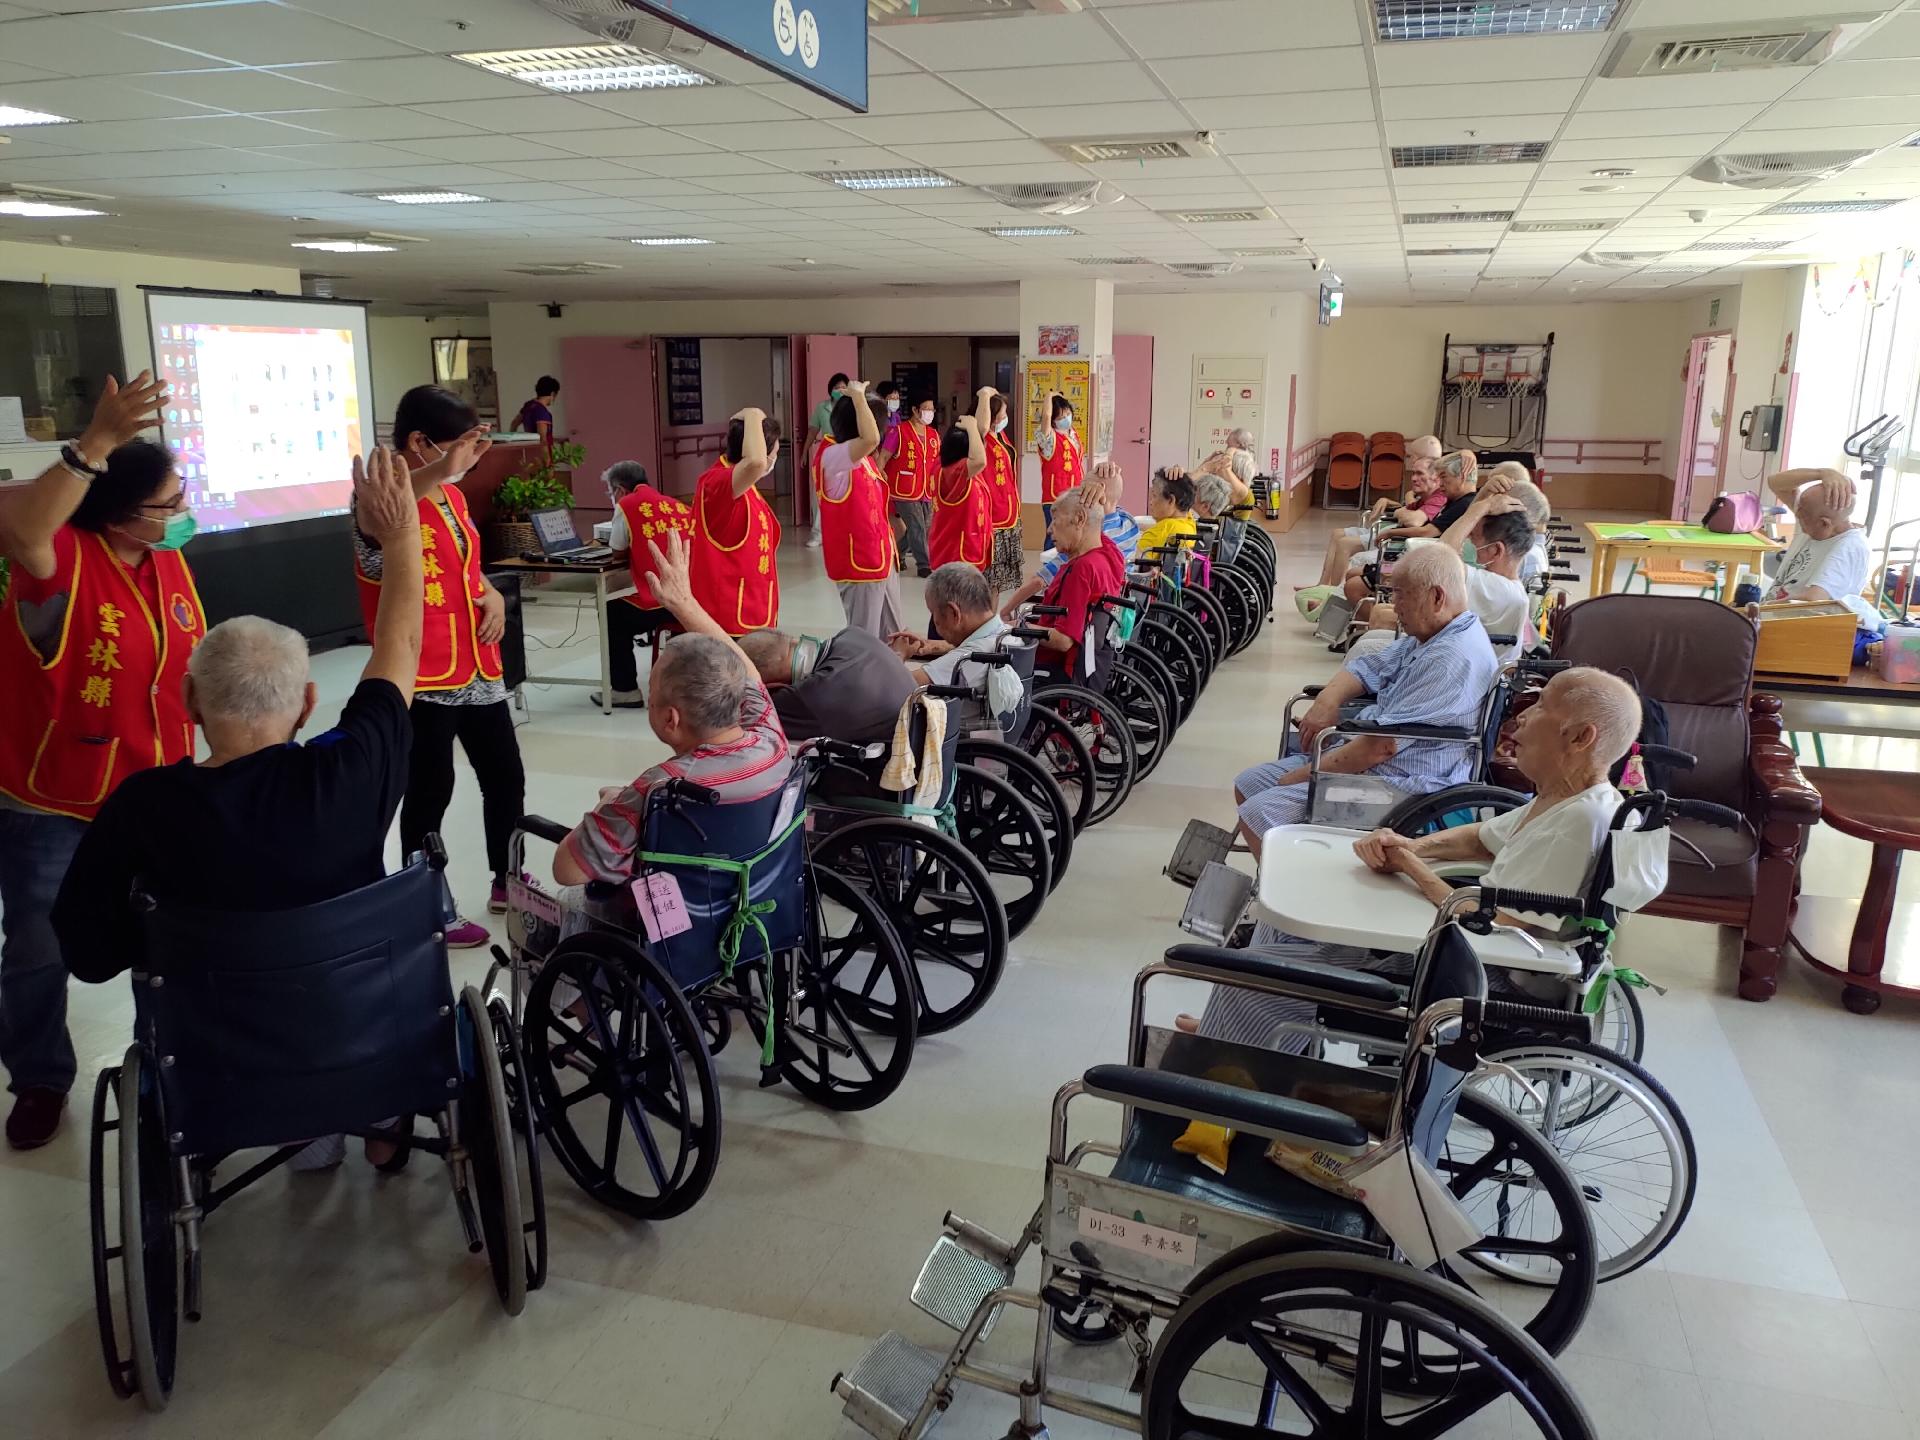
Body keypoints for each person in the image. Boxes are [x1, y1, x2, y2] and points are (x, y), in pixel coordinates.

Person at [54, 452, 426, 1167]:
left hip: (219, 1058)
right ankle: (373, 1113)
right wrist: (401, 538)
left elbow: (89, 953)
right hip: (364, 1034)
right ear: (309, 702)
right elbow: (399, 647)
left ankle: (293, 1127)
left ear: (190, 702)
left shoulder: (143, 804)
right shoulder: (348, 768)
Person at [1187, 668, 1642, 1050]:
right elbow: (1483, 837)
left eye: (1541, 707)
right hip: (1472, 945)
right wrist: (1412, 845)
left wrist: (1410, 867)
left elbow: (1503, 922)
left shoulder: (1578, 823)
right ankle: (1225, 1039)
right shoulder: (1563, 798)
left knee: (1262, 976)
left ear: (1581, 737)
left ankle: (1224, 1051)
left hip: (1483, 977)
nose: (1520, 719)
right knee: (1278, 933)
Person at [0, 371, 185, 1148]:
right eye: (167, 506)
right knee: (40, 947)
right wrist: (97, 442)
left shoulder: (166, 562)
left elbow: (181, 655)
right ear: (118, 514)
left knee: (161, 938)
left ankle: (168, 1068)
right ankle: (41, 1077)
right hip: (56, 798)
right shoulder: (57, 563)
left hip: (154, 789)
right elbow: (18, 524)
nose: (181, 516)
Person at [355, 385, 522, 950]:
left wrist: (490, 593)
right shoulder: (377, 499)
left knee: (505, 777)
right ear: (418, 442)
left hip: (475, 664)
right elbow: (392, 520)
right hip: (419, 673)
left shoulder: (449, 494)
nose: (467, 460)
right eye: (458, 447)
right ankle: (428, 901)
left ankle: (508, 879)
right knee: (430, 790)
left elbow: (462, 565)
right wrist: (445, 469)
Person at [554, 530, 791, 887]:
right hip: (760, 897)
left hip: (673, 930)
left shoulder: (658, 789)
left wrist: (612, 804)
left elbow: (566, 871)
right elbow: (747, 671)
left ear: (670, 719)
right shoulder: (770, 740)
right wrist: (685, 604)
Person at [1234, 545, 1499, 855]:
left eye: (1400, 595)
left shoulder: (1451, 658)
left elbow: (1380, 747)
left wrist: (1303, 776)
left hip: (1402, 783)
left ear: (1437, 597)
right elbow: (1370, 666)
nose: (1394, 606)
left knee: (1259, 813)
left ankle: (1291, 894)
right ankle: (1283, 872)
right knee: (1248, 783)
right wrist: (1327, 702)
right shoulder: (1436, 634)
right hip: (1374, 759)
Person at [1351, 490, 1535, 664]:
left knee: (1365, 650)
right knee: (1368, 641)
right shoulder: (1502, 584)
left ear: (1495, 550)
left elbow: (1441, 554)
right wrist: (1484, 497)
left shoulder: (1500, 589)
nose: (1468, 541)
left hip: (1453, 665)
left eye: (1474, 537)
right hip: (1451, 653)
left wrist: (1481, 508)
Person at [889, 562, 1028, 731]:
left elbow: (898, 688)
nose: (934, 620)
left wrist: (898, 654)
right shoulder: (1008, 634)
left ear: (954, 613)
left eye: (933, 612)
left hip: (955, 737)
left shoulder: (966, 659)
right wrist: (936, 646)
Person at [600, 460, 694, 709]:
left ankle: (624, 690)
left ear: (619, 490)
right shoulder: (677, 505)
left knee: (612, 612)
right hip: (690, 600)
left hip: (657, 604)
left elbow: (618, 553)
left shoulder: (626, 506)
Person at [1335, 448, 1480, 606]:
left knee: (1353, 587)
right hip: (1419, 558)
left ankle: (1380, 623)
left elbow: (1427, 531)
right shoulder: (1454, 501)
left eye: (1444, 477)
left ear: (1462, 476)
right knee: (1352, 573)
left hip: (1426, 568)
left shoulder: (1464, 504)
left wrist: (1390, 532)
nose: (1441, 483)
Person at [817, 379, 905, 637]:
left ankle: (890, 676)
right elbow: (870, 438)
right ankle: (862, 677)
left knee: (893, 634)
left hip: (880, 557)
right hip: (860, 564)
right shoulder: (833, 457)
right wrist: (858, 397)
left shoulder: (862, 458)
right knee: (865, 639)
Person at [999, 461, 1140, 621]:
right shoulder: (1130, 524)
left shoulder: (1089, 541)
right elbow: (1112, 505)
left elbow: (1040, 580)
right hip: (1115, 614)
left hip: (1080, 616)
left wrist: (1006, 610)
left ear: (1094, 494)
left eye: (1083, 489)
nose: (1078, 493)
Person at [739, 626, 917, 746]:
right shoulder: (854, 634)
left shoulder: (812, 695)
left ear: (774, 686)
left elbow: (736, 718)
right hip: (920, 760)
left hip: (880, 783)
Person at [688, 408, 782, 636]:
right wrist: (752, 414)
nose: (772, 460)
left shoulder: (746, 485)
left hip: (753, 606)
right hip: (728, 616)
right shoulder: (718, 482)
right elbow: (755, 463)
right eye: (773, 453)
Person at [1309, 434, 1444, 588]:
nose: (1413, 477)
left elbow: (1413, 518)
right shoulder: (1425, 491)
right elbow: (1406, 510)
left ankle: (1330, 593)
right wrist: (1398, 506)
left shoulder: (1438, 495)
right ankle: (1322, 586)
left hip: (1400, 540)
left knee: (1345, 544)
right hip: (1395, 532)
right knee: (1338, 535)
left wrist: (1403, 506)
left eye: (1413, 456)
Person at [1763, 467, 1880, 629]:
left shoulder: (1850, 547)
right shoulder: (1812, 521)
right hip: (1773, 620)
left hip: (1796, 630)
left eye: (1801, 517)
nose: (1798, 517)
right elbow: (1775, 483)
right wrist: (1822, 473)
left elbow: (1814, 601)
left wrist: (1761, 609)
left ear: (1824, 523)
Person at [1029, 488, 1124, 679]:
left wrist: (1012, 627)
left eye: (1055, 520)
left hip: (1050, 667)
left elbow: (1064, 640)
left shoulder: (1082, 569)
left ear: (1080, 519)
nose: (1049, 529)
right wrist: (1095, 492)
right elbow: (1094, 525)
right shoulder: (1110, 553)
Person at [927, 407, 992, 607]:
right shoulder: (954, 473)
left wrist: (982, 405)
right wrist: (971, 428)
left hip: (960, 551)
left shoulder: (946, 466)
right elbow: (980, 460)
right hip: (958, 555)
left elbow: (982, 432)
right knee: (954, 612)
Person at [888, 393, 939, 579]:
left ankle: (896, 554)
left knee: (918, 528)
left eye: (932, 409)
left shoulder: (933, 435)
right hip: (904, 490)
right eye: (926, 409)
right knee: (917, 526)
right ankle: (924, 565)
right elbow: (883, 458)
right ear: (915, 410)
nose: (929, 413)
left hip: (926, 489)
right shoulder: (899, 431)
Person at [982, 390, 1024, 600]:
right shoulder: (980, 437)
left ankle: (990, 621)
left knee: (997, 580)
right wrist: (983, 396)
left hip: (1008, 512)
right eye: (1001, 413)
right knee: (989, 577)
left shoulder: (1000, 435)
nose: (1004, 417)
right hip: (992, 515)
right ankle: (983, 623)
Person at [804, 371, 849, 549]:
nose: (840, 390)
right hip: (827, 453)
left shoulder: (853, 406)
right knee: (822, 493)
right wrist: (804, 452)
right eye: (837, 388)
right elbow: (812, 431)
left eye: (844, 387)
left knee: (846, 493)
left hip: (847, 453)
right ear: (831, 390)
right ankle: (818, 533)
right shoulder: (822, 408)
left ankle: (843, 532)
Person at [1036, 391, 1084, 542]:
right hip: (1055, 495)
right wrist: (1049, 397)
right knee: (1055, 536)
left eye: (1068, 414)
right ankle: (1050, 565)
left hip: (1075, 493)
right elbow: (1045, 418)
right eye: (1061, 417)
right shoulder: (1048, 437)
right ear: (1053, 420)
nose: (1066, 419)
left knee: (1072, 536)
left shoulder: (1073, 433)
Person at [1136, 468, 1199, 562]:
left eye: (1154, 496)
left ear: (1171, 500)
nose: (1151, 502)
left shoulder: (1161, 531)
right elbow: (1185, 492)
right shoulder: (1189, 521)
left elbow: (1133, 565)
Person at [1197, 427, 1257, 508]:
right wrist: (1208, 461)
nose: (1226, 442)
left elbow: (1224, 467)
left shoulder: (1241, 461)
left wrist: (1229, 452)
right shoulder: (1221, 491)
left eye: (1229, 442)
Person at [512, 375, 559, 442]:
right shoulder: (542, 412)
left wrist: (513, 441)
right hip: (539, 450)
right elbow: (543, 439)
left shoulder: (528, 405)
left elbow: (514, 423)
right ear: (552, 394)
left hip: (529, 447)